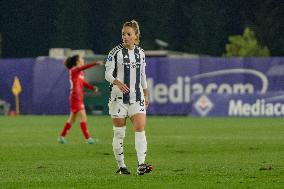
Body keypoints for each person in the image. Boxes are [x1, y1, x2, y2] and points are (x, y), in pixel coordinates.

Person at [105, 20, 153, 175]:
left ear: (136, 36)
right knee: (119, 133)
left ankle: (141, 164)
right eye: (123, 34)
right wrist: (116, 81)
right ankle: (122, 166)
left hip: (136, 97)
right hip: (118, 98)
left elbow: (143, 75)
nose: (125, 37)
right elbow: (107, 74)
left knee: (140, 129)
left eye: (128, 34)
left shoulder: (141, 53)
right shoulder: (115, 52)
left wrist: (146, 93)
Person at [58, 54, 99, 144]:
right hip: (75, 97)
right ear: (77, 62)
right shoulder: (74, 70)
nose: (83, 60)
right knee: (83, 117)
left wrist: (92, 88)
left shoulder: (80, 72)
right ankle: (88, 139)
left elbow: (82, 82)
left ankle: (61, 137)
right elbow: (82, 68)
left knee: (72, 119)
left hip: (79, 97)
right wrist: (95, 63)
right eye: (81, 59)